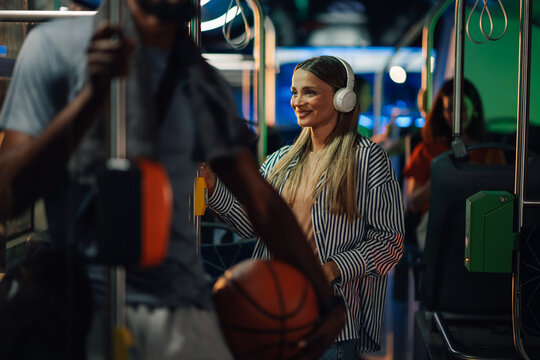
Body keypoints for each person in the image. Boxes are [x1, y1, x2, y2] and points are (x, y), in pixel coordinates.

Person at [0, 1, 346, 359]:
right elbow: (8, 194)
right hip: (82, 308)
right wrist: (89, 99)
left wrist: (326, 298)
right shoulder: (57, 48)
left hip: (181, 317)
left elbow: (262, 203)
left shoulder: (200, 80)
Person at [202, 55, 405, 359]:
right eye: (295, 92)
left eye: (310, 92)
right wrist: (212, 184)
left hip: (329, 322)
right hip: (273, 308)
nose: (298, 101)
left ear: (342, 98)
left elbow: (390, 242)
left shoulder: (367, 159)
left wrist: (332, 270)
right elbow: (248, 223)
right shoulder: (280, 160)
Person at [402, 78, 505, 249]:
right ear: (442, 112)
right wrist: (443, 180)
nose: (455, 116)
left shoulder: (490, 150)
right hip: (438, 221)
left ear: (474, 109)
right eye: (450, 109)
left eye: (462, 109)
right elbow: (412, 202)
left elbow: (503, 194)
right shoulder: (427, 150)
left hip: (481, 221)